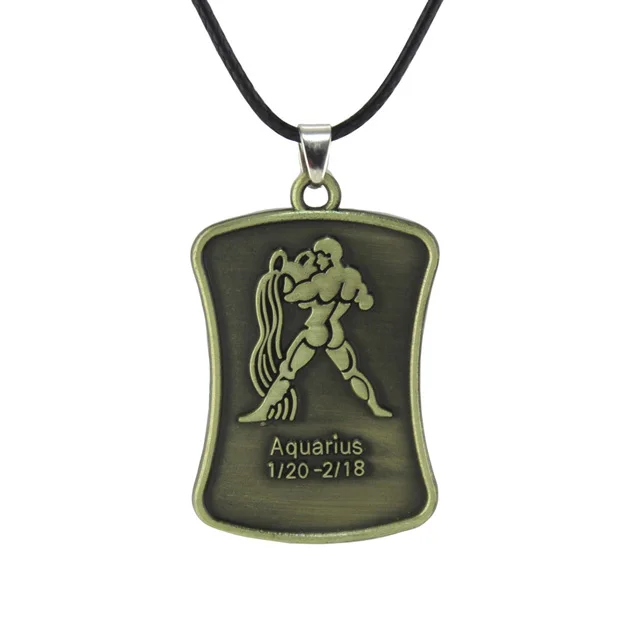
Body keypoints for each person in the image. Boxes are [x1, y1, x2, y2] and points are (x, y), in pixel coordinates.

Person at [239, 237, 392, 422]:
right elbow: (365, 302)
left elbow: (293, 297)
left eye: (319, 256)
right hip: (335, 331)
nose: (317, 260)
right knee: (351, 372)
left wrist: (288, 273)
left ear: (328, 256)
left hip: (316, 330)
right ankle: (375, 407)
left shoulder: (322, 280)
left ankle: (263, 411)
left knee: (287, 371)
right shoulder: (351, 276)